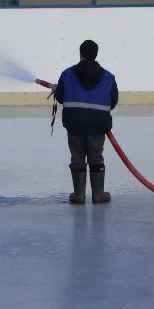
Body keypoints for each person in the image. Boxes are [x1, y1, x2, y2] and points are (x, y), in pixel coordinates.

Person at [53, 39, 119, 205]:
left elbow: (60, 98)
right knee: (96, 157)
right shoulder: (108, 77)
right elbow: (112, 101)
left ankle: (79, 195)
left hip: (74, 122)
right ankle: (98, 195)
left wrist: (59, 90)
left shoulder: (67, 74)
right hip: (98, 124)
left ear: (80, 54)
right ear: (96, 54)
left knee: (77, 157)